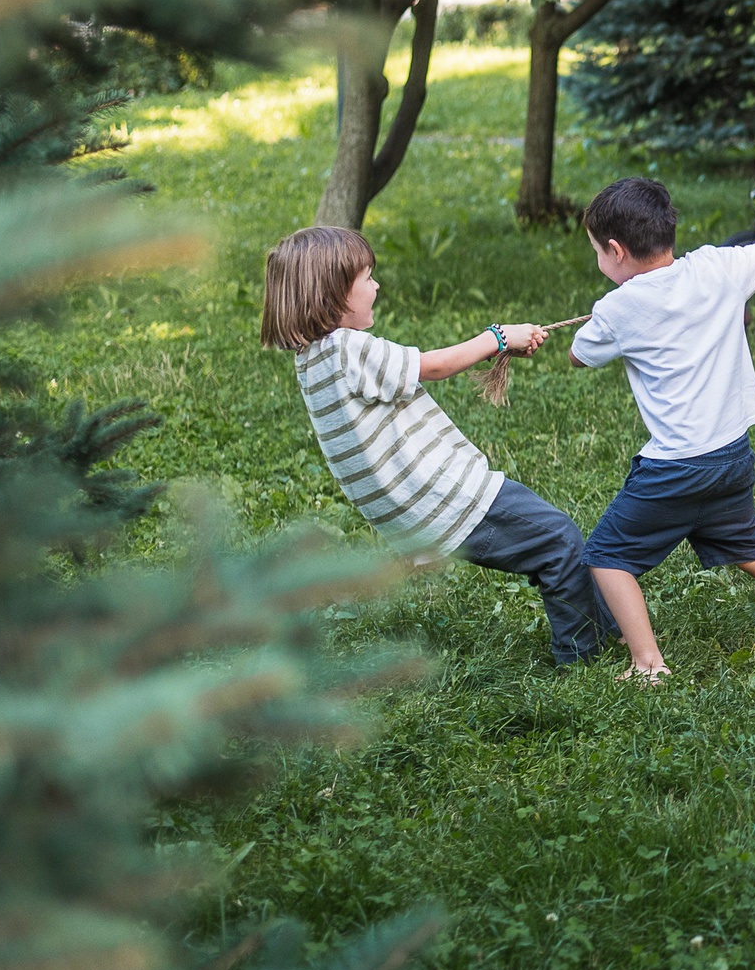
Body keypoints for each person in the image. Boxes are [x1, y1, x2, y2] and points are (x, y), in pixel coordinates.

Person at [261, 226, 618, 668]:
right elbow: (432, 366)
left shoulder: (311, 361)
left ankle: (605, 630)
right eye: (367, 278)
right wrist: (499, 337)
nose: (377, 286)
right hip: (447, 496)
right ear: (332, 294)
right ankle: (582, 659)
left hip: (417, 511)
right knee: (559, 540)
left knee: (547, 542)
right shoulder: (345, 348)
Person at [570, 177, 755, 679]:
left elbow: (580, 355)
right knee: (754, 552)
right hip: (731, 455)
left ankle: (648, 662)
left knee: (605, 556)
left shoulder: (616, 309)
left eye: (598, 253)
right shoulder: (718, 265)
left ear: (617, 251)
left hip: (676, 468)